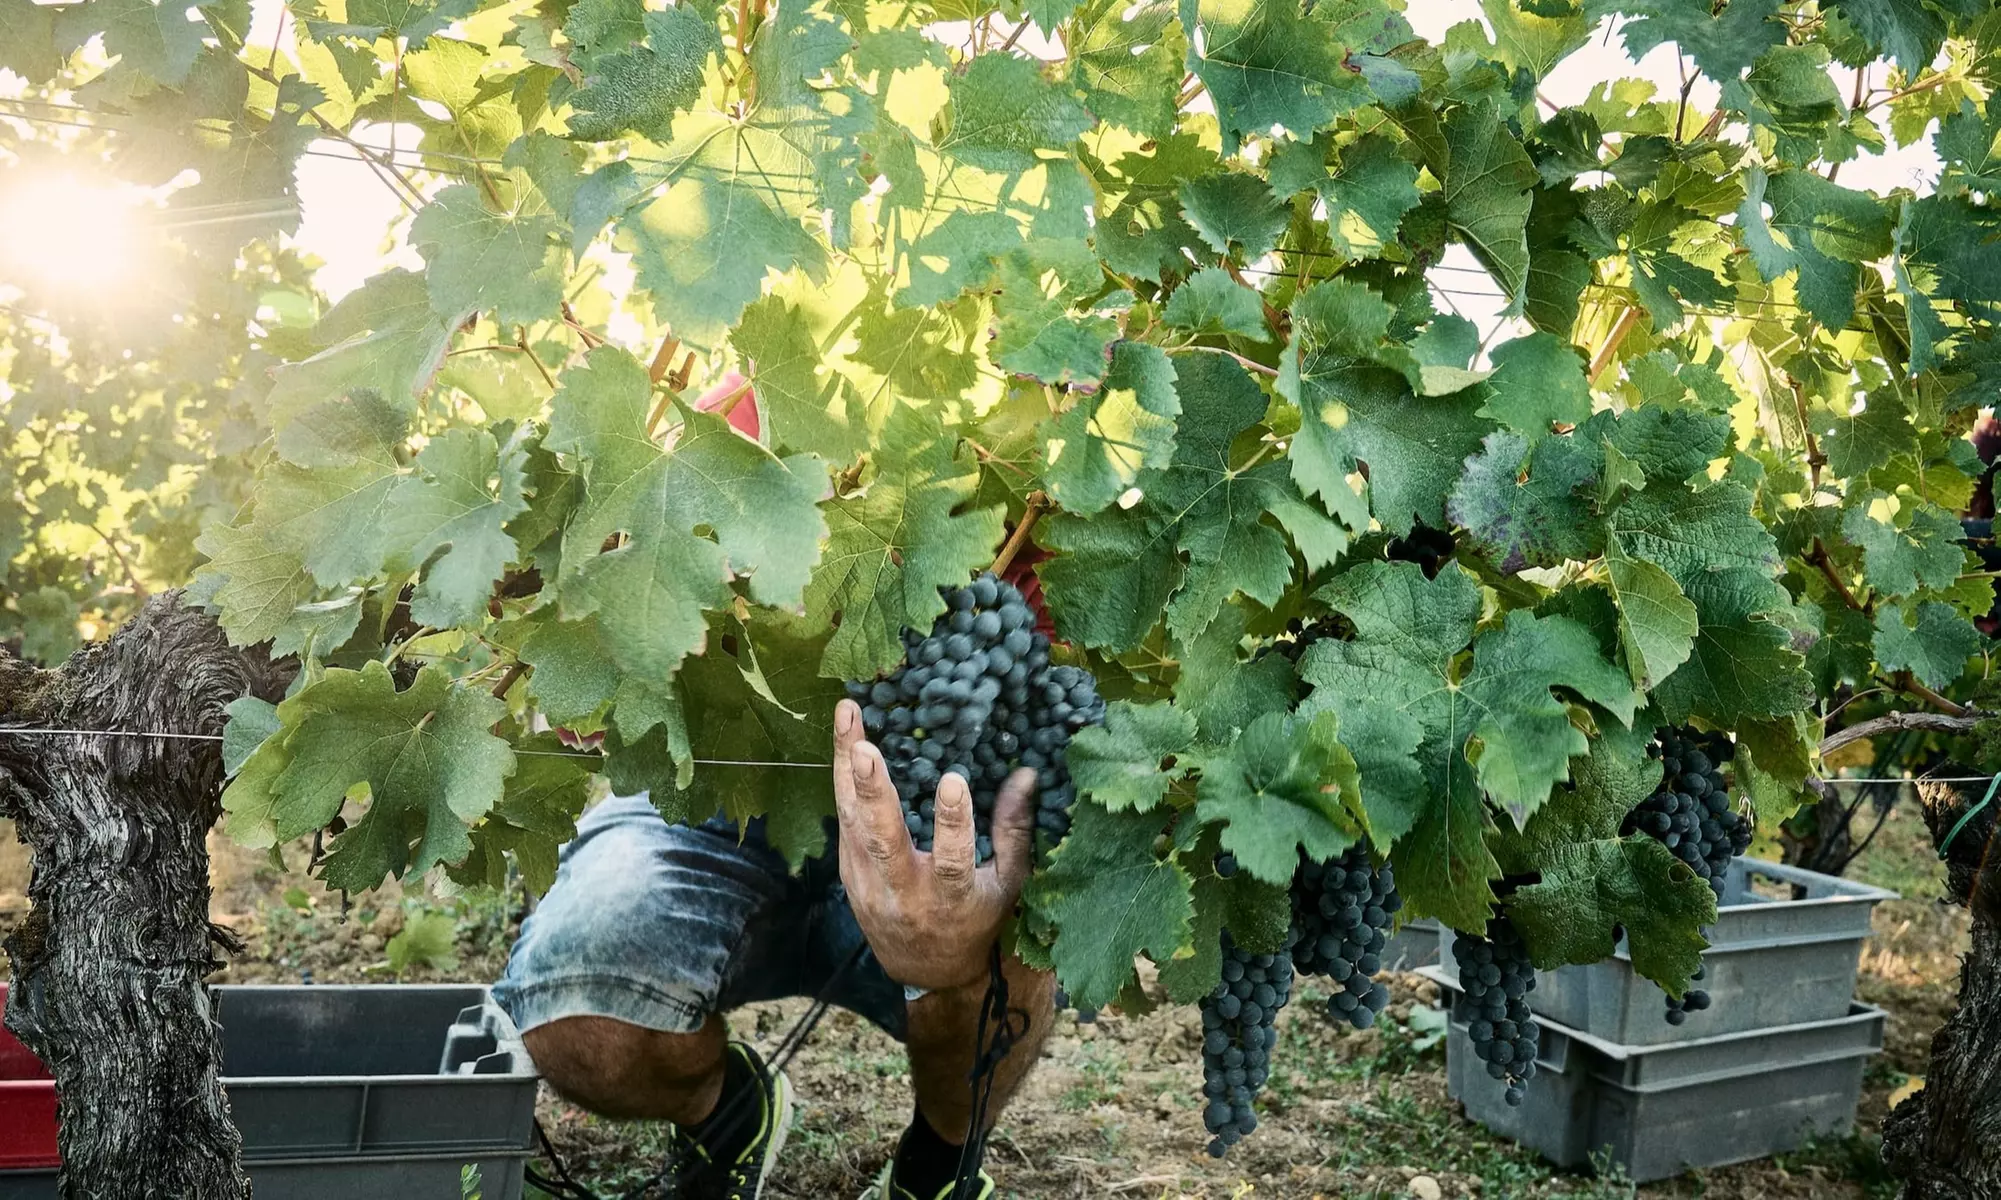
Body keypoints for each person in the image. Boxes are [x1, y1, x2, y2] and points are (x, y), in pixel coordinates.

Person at [492, 699, 1056, 1200]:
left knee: (1009, 943)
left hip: (938, 796)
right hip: (723, 782)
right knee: (571, 993)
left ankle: (935, 1170)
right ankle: (728, 1125)